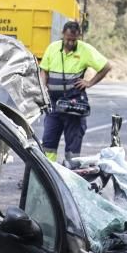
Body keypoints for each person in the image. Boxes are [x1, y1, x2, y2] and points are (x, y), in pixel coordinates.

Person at [38, 21, 112, 163]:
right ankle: (48, 176)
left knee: (73, 149)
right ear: (62, 35)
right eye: (68, 39)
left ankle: (69, 176)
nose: (71, 43)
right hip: (53, 105)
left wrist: (89, 82)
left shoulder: (85, 50)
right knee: (48, 144)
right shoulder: (53, 48)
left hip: (74, 105)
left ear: (78, 36)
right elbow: (44, 71)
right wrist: (43, 86)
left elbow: (106, 66)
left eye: (74, 40)